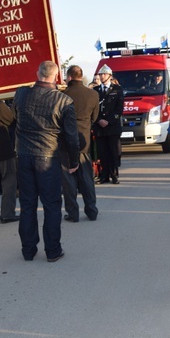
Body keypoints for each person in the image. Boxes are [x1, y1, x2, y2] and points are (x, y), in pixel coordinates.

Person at [13, 61, 80, 262]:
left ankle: (28, 250)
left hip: (24, 155)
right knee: (51, 204)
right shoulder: (64, 101)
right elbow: (71, 137)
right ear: (56, 76)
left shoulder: (21, 93)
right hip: (48, 157)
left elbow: (14, 116)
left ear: (37, 72)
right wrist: (73, 161)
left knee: (27, 204)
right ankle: (52, 250)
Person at [62, 65, 100, 222]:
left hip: (65, 140)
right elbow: (95, 117)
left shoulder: (63, 95)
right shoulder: (93, 94)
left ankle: (73, 213)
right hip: (84, 138)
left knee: (68, 180)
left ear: (69, 77)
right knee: (86, 178)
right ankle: (91, 211)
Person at [93, 64, 124, 184]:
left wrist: (109, 121)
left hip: (112, 126)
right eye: (100, 74)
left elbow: (119, 108)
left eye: (104, 74)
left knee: (113, 152)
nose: (101, 76)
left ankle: (114, 175)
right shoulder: (95, 91)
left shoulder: (117, 89)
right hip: (99, 127)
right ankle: (104, 175)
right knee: (102, 153)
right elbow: (93, 108)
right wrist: (99, 120)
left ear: (110, 76)